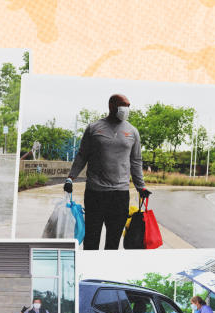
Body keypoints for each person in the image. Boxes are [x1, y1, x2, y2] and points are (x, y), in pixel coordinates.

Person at [64, 94, 151, 250]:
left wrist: (141, 187)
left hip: (120, 195)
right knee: (91, 240)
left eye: (129, 106)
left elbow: (136, 161)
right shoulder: (94, 128)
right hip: (95, 193)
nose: (127, 109)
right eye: (124, 105)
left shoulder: (132, 131)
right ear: (112, 105)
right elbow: (82, 155)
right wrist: (71, 178)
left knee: (113, 242)